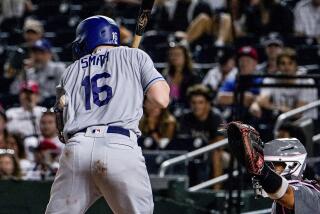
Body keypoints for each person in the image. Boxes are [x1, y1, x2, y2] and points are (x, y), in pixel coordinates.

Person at [45, 15, 170, 214]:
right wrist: (136, 90)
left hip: (77, 148)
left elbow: (60, 123)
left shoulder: (69, 71)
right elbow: (161, 99)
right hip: (119, 146)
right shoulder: (134, 56)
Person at [226, 122, 320, 214]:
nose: (269, 169)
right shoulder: (280, 200)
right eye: (266, 165)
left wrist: (262, 170)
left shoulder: (309, 191)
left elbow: (287, 194)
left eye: (272, 165)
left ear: (293, 165)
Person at [176, 84, 225, 188]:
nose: (196, 106)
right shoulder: (186, 117)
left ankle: (216, 193)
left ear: (208, 104)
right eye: (194, 103)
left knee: (216, 154)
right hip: (193, 153)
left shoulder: (216, 117)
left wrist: (202, 146)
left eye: (200, 102)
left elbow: (219, 144)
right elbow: (183, 141)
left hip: (217, 154)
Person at [250, 48, 318, 119]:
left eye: (290, 63)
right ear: (278, 66)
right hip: (282, 123)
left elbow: (297, 113)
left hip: (306, 123)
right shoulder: (271, 79)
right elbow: (263, 101)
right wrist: (256, 104)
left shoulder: (307, 82)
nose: (286, 67)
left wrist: (274, 107)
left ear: (296, 66)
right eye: (283, 63)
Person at [9, 39, 65, 104]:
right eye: (35, 53)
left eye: (41, 53)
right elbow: (14, 91)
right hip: (33, 108)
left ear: (50, 54)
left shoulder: (58, 68)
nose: (38, 56)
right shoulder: (28, 72)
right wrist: (23, 72)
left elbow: (64, 92)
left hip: (53, 106)